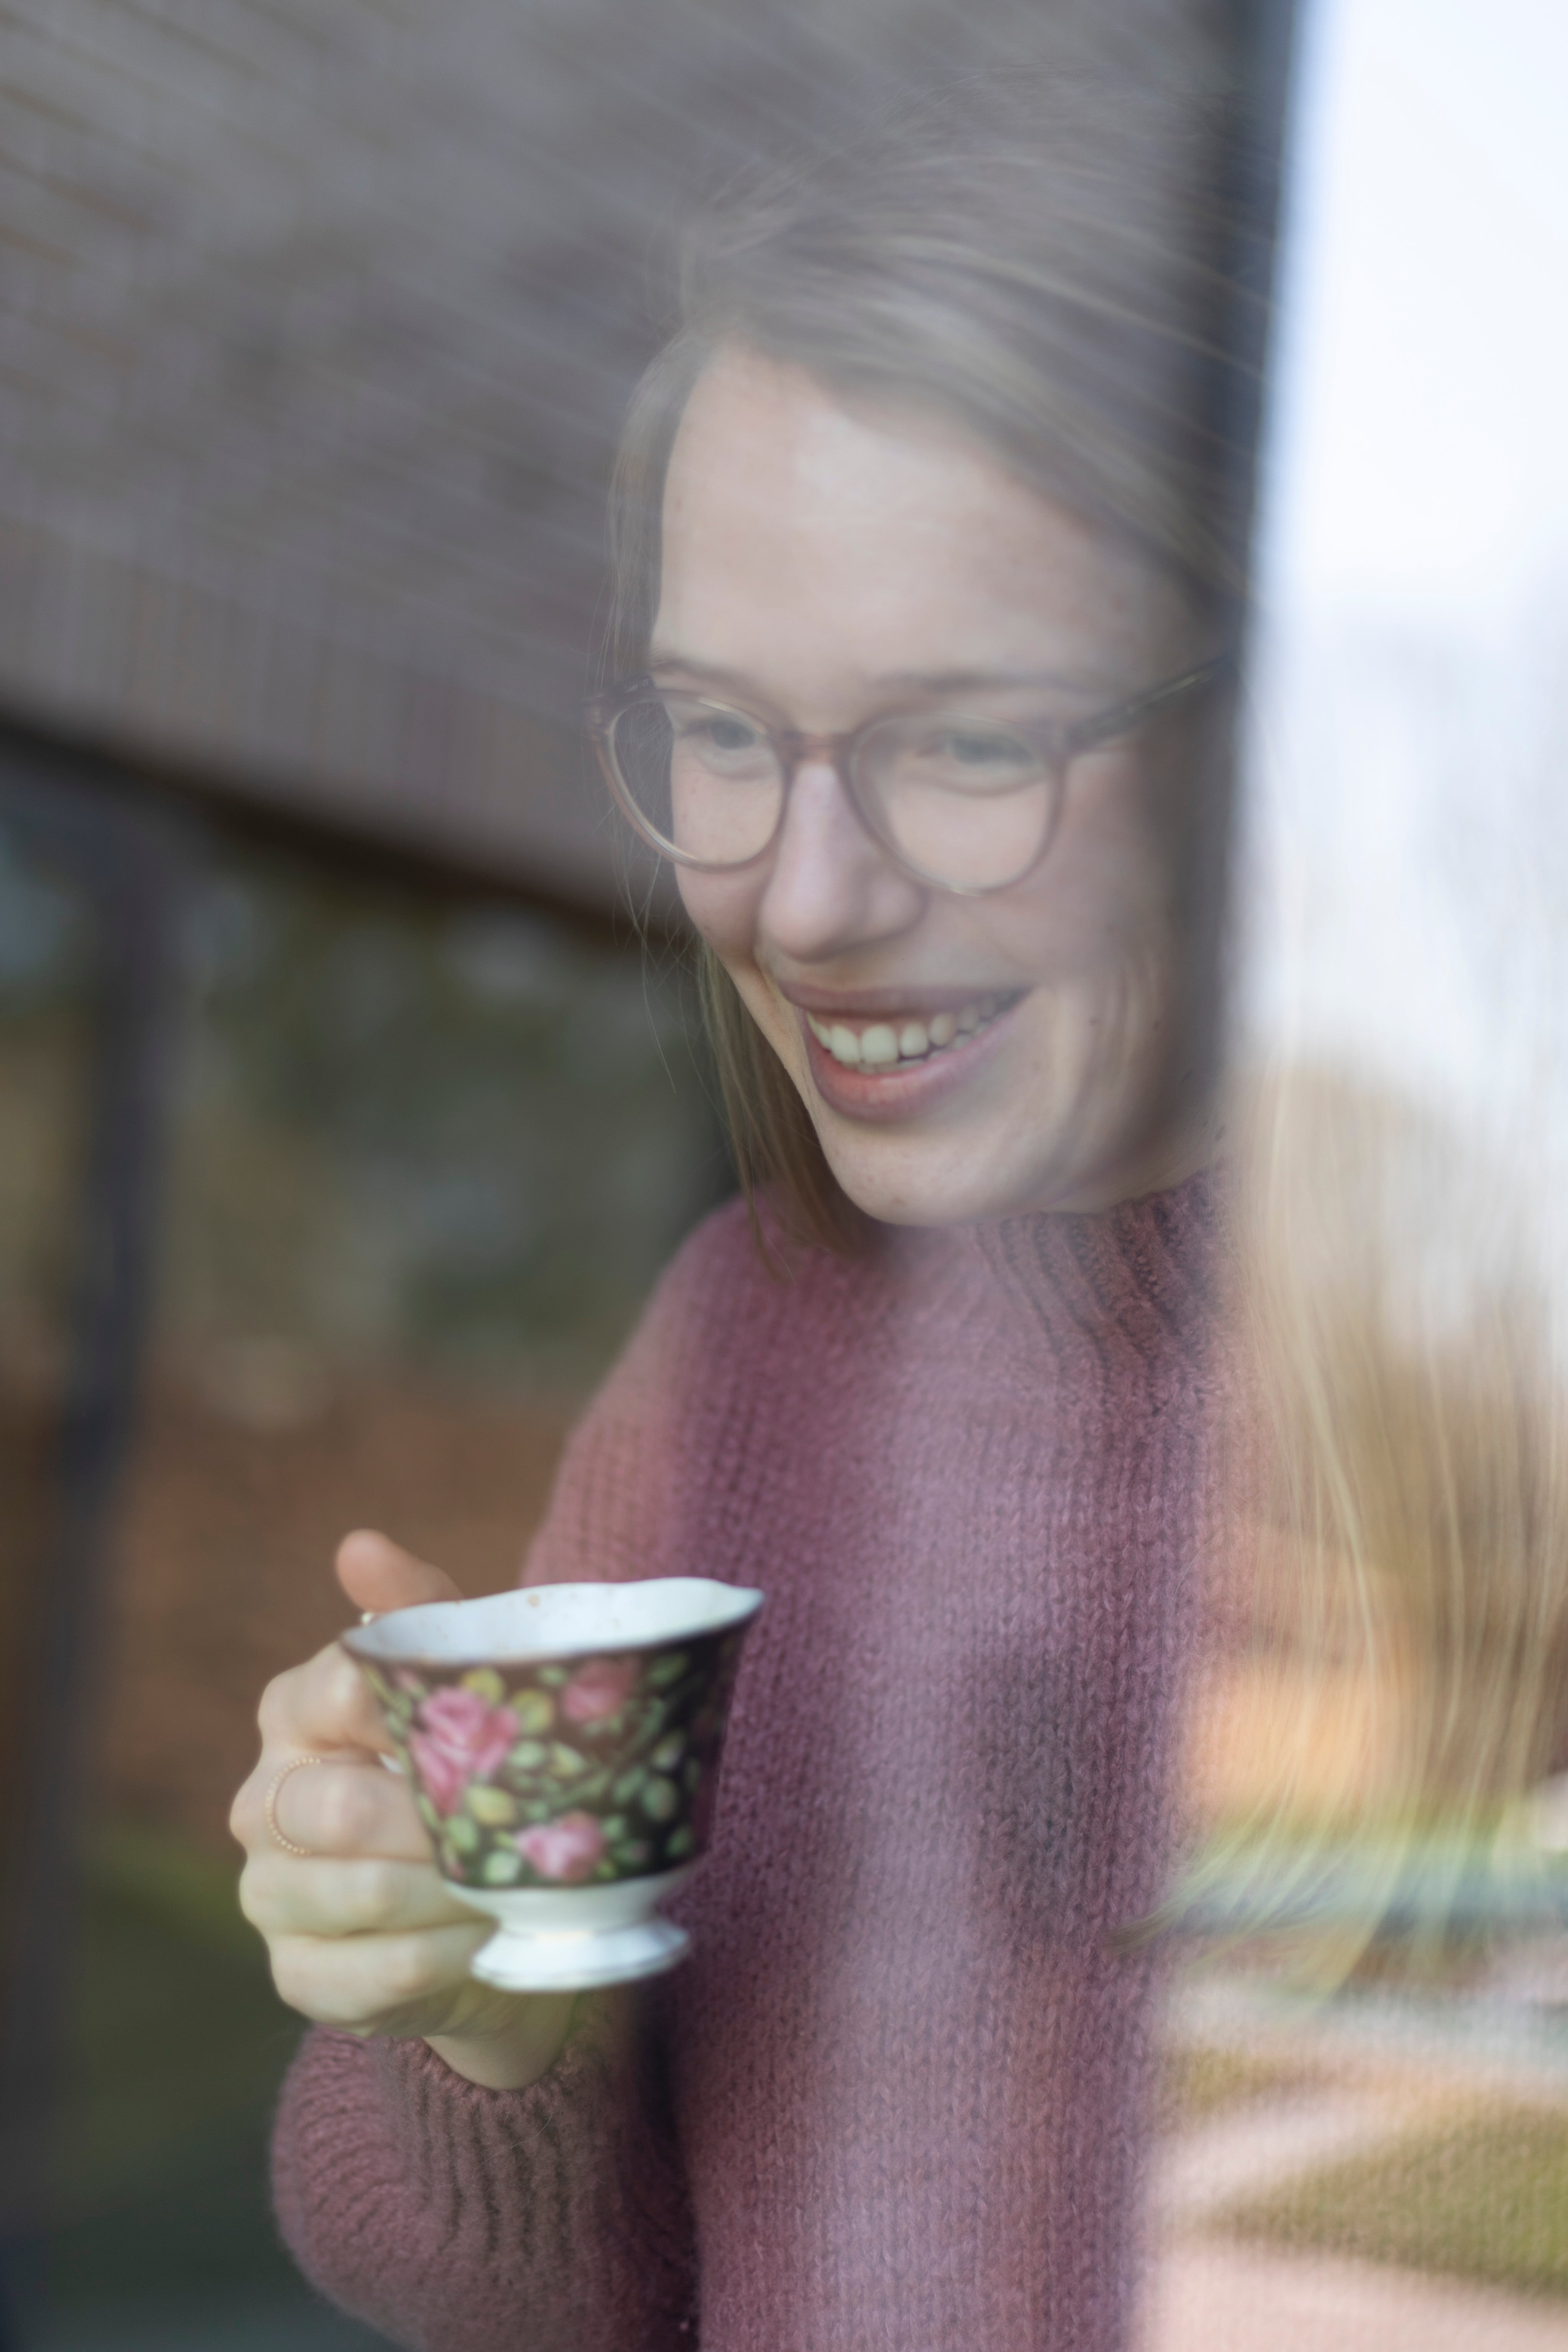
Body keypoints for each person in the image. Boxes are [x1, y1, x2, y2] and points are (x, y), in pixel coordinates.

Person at [231, 74, 1257, 2352]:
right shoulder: (736, 1344)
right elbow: (545, 2303)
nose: (798, 897)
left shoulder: (1482, 1376)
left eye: (971, 743)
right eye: (715, 728)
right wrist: (483, 2015)